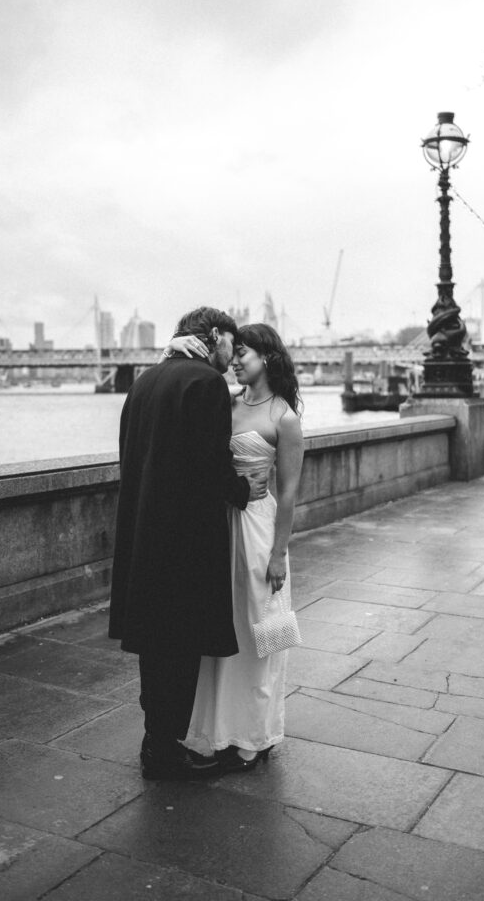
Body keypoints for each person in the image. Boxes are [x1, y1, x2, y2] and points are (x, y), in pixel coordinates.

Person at [108, 306, 269, 781]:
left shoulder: (144, 382)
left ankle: (153, 741)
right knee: (180, 647)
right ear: (214, 336)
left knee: (154, 648)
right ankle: (165, 752)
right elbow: (210, 464)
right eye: (230, 344)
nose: (231, 356)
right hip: (183, 541)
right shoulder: (205, 384)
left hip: (143, 534)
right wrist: (243, 491)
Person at [168, 322, 304, 771]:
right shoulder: (224, 404)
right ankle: (221, 730)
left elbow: (288, 493)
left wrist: (279, 553)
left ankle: (257, 736)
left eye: (242, 353)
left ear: (266, 357)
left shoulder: (284, 418)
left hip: (261, 531)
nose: (235, 361)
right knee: (224, 632)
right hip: (223, 526)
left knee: (260, 634)